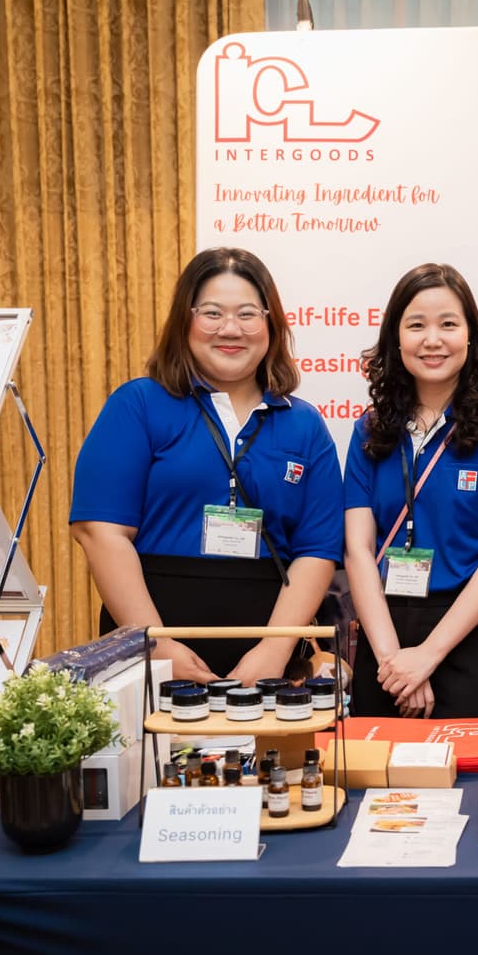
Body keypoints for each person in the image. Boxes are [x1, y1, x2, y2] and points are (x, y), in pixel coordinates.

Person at [70, 247, 342, 685]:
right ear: (185, 320)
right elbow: (99, 532)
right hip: (153, 645)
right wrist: (153, 642)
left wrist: (275, 650)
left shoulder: (304, 424)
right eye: (212, 313)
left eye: (248, 314)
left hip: (268, 656)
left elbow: (317, 550)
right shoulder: (138, 404)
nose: (230, 329)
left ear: (271, 324)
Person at [344, 263, 478, 718]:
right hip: (384, 632)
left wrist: (427, 655)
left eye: (448, 324)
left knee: (474, 783)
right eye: (416, 325)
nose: (433, 339)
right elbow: (357, 549)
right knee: (379, 784)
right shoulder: (370, 431)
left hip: (473, 634)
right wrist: (394, 661)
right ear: (395, 338)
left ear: (470, 336)